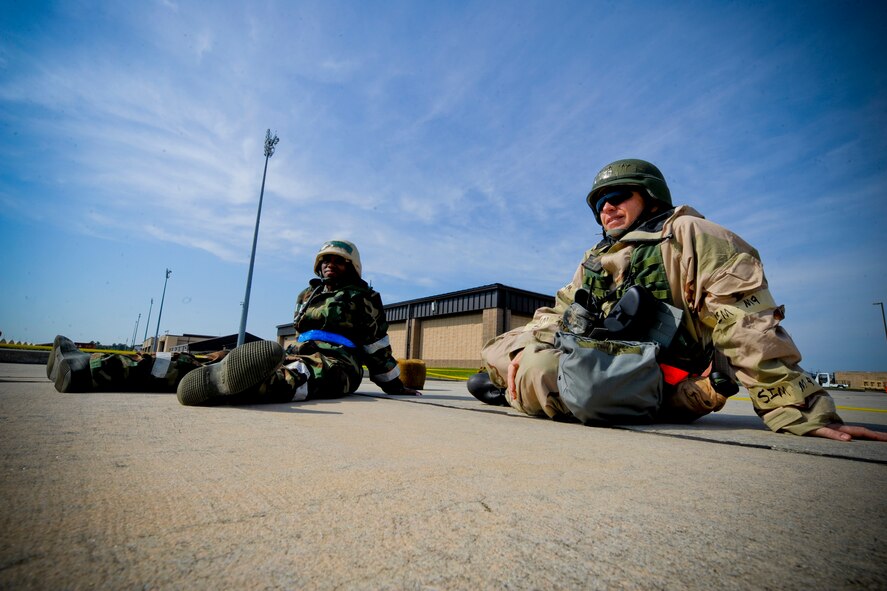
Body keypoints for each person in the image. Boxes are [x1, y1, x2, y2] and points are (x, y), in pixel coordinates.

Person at [469, 158, 886, 442]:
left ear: (650, 196)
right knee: (506, 349)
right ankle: (517, 380)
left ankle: (518, 389)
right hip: (600, 363)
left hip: (668, 380)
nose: (607, 210)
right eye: (599, 204)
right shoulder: (597, 260)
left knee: (545, 372)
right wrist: (523, 347)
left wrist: (800, 413)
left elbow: (746, 322)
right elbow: (557, 313)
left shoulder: (692, 236)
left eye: (618, 198)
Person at [47, 239, 420, 405]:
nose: (327, 264)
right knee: (201, 359)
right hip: (295, 351)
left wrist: (394, 385)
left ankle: (226, 387)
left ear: (353, 267)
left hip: (336, 363)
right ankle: (87, 369)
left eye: (337, 260)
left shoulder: (365, 298)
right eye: (323, 259)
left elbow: (377, 348)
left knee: (296, 379)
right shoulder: (306, 295)